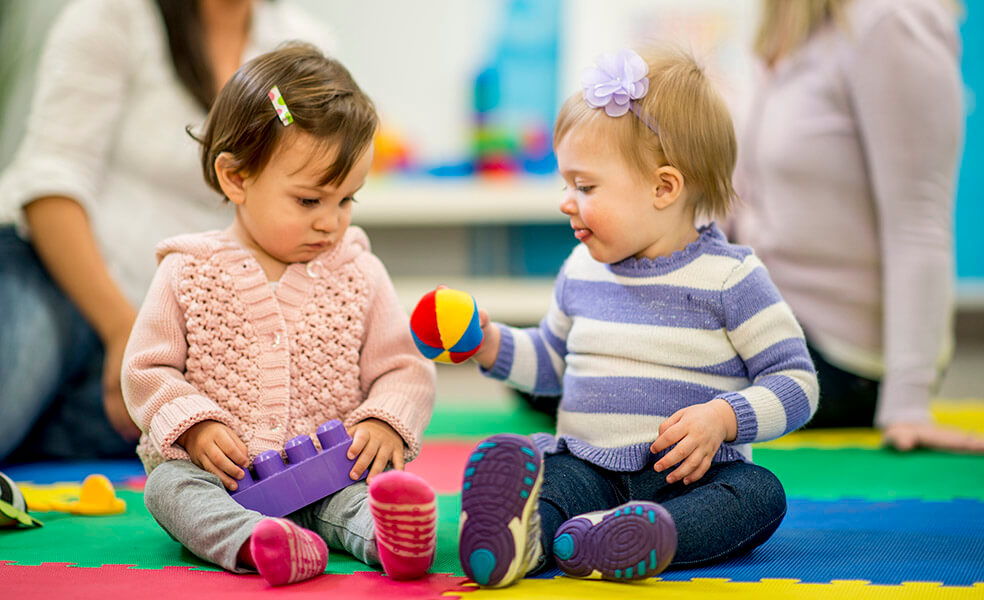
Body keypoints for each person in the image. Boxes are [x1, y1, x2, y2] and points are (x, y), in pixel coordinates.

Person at [0, 0, 333, 474]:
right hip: (43, 264)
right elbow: (51, 183)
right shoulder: (115, 16)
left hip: (168, 310)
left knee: (229, 433)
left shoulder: (300, 46)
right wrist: (124, 332)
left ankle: (30, 410)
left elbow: (309, 197)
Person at [455, 47, 819, 588]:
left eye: (585, 186)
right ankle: (523, 539)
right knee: (550, 484)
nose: (566, 202)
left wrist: (724, 418)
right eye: (566, 184)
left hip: (689, 478)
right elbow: (553, 363)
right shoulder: (582, 268)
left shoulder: (731, 278)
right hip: (587, 465)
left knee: (758, 494)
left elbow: (798, 382)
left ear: (663, 188)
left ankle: (633, 537)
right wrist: (487, 344)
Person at [122, 43, 438, 586]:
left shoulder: (359, 273)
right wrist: (194, 426)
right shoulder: (186, 271)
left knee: (353, 499)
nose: (331, 223)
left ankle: (392, 538)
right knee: (166, 491)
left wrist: (386, 418)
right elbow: (146, 368)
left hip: (329, 472)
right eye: (310, 201)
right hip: (217, 479)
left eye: (347, 200)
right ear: (237, 178)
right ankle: (255, 543)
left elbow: (403, 366)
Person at [732, 0, 984, 452]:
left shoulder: (894, 20)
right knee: (590, 353)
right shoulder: (793, 25)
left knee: (604, 379)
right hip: (769, 313)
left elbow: (918, 221)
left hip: (840, 356)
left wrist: (908, 405)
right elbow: (747, 195)